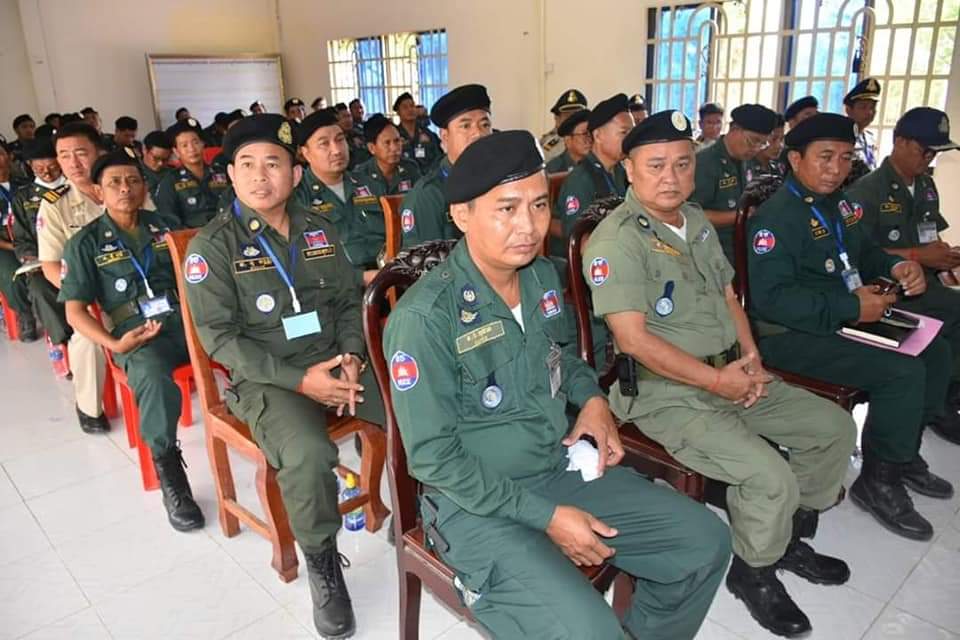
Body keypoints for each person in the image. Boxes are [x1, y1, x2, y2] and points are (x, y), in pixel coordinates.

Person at [385, 129, 730, 640]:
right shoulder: (425, 318)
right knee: (589, 632)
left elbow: (562, 355)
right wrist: (546, 517)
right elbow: (434, 458)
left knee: (704, 543)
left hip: (553, 467)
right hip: (472, 505)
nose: (528, 226)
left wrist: (591, 399)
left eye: (539, 205)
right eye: (506, 209)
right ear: (462, 215)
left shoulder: (541, 277)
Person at [585, 110, 856, 637]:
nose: (671, 177)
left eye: (683, 164)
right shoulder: (617, 240)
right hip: (666, 394)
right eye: (656, 165)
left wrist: (751, 358)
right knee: (769, 476)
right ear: (630, 171)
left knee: (834, 429)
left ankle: (780, 537)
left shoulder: (695, 220)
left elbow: (730, 296)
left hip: (730, 373)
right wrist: (716, 382)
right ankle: (753, 572)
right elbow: (633, 341)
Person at [186, 114, 385, 639]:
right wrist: (301, 382)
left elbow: (348, 301)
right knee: (309, 455)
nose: (260, 176)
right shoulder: (213, 247)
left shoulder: (318, 228)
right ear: (230, 175)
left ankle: (427, 518)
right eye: (247, 165)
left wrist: (352, 355)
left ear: (295, 174)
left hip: (335, 361)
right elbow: (220, 339)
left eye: (273, 163)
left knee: (412, 406)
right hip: (270, 380)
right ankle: (322, 564)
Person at [748, 113, 956, 543]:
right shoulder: (776, 218)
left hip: (843, 316)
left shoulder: (838, 204)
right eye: (824, 158)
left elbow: (865, 252)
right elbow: (772, 301)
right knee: (902, 372)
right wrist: (850, 307)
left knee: (934, 348)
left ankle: (902, 454)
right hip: (790, 336)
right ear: (795, 159)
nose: (836, 169)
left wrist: (897, 265)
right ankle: (878, 481)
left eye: (844, 158)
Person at [59, 148, 203, 531]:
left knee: (244, 343)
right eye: (114, 183)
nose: (125, 188)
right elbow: (74, 312)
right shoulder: (85, 243)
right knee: (152, 374)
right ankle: (170, 472)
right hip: (136, 333)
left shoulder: (166, 227)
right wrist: (115, 344)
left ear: (144, 187)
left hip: (186, 320)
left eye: (133, 180)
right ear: (98, 191)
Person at [847, 106, 960, 444]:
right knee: (949, 321)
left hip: (925, 283)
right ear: (900, 142)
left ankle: (945, 397)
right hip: (888, 291)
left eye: (935, 153)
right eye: (925, 151)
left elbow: (929, 236)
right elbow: (858, 256)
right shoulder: (867, 192)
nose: (929, 159)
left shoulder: (925, 186)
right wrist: (919, 256)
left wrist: (945, 259)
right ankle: (937, 404)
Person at [37, 123, 125, 434]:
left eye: (80, 153)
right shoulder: (55, 204)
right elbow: (49, 265)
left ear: (98, 152)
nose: (73, 163)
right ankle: (89, 407)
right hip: (92, 293)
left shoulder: (125, 185)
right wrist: (80, 295)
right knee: (87, 334)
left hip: (136, 285)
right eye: (64, 156)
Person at [291, 108, 384, 278]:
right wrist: (360, 278)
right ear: (305, 153)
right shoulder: (298, 196)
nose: (336, 150)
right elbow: (305, 262)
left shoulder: (368, 184)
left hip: (385, 277)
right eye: (324, 144)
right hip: (335, 286)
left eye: (340, 140)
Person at [399, 84, 493, 248]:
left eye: (485, 125)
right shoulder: (428, 195)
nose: (478, 134)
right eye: (466, 126)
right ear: (445, 136)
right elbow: (426, 261)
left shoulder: (499, 181)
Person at [692, 103, 778, 265]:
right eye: (753, 141)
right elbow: (690, 214)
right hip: (713, 252)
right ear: (734, 129)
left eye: (762, 144)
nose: (756, 148)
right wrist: (740, 216)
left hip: (745, 250)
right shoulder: (705, 163)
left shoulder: (750, 162)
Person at [552, 93, 632, 257]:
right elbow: (578, 241)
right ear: (598, 136)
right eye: (624, 132)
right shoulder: (581, 180)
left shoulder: (621, 171)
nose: (631, 139)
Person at [11, 137, 69, 346]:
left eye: (52, 167)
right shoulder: (23, 197)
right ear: (29, 165)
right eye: (39, 169)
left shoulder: (74, 187)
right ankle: (63, 340)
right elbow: (21, 239)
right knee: (38, 288)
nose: (47, 173)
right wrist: (31, 259)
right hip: (45, 263)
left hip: (78, 257)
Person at [155, 118, 230, 228]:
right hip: (192, 236)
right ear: (176, 151)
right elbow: (169, 220)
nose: (191, 149)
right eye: (184, 145)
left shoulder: (222, 173)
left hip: (227, 232)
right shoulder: (170, 181)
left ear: (203, 144)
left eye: (195, 142)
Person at [0, 141, 36, 340]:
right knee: (13, 274)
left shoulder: (26, 184)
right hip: (4, 245)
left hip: (32, 239)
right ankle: (25, 315)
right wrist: (12, 246)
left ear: (9, 156)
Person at [351, 113, 421, 196]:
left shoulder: (410, 169)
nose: (394, 148)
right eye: (387, 143)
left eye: (397, 141)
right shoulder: (360, 176)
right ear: (372, 148)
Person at [393, 91, 442, 172]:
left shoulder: (427, 133)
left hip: (428, 176)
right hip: (405, 176)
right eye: (405, 107)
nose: (410, 110)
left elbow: (438, 157)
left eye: (412, 106)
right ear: (398, 112)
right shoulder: (395, 136)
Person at [540, 89, 589, 163]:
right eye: (568, 116)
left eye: (577, 115)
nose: (573, 120)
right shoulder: (550, 145)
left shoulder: (592, 139)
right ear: (557, 119)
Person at [844, 78, 882, 170]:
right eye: (863, 107)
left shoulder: (870, 137)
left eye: (873, 107)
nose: (870, 112)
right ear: (848, 110)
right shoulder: (842, 137)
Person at [544, 109, 591, 174]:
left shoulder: (598, 164)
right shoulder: (553, 170)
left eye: (591, 134)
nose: (589, 140)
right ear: (568, 140)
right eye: (584, 134)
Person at [744, 113, 786, 182]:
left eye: (781, 139)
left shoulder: (779, 168)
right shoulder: (745, 167)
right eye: (773, 139)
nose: (779, 145)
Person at [141, 130, 173, 196]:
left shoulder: (173, 174)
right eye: (156, 158)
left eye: (165, 159)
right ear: (144, 150)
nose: (160, 163)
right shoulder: (133, 173)